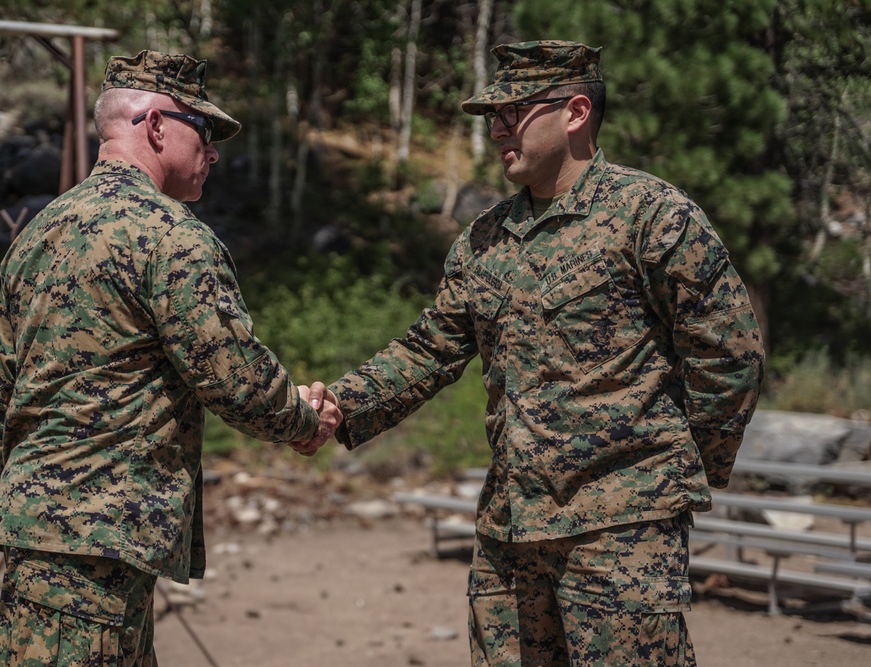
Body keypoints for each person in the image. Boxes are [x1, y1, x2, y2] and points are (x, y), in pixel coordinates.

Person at [312, 40, 765, 666]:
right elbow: (430, 348)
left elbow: (729, 355)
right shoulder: (484, 237)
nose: (497, 127)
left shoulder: (651, 217)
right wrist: (339, 405)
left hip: (619, 532)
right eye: (492, 115)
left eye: (513, 111)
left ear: (575, 113)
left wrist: (673, 474)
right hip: (511, 528)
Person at [0, 49, 341, 666]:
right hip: (100, 547)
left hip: (58, 539)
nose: (214, 150)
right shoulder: (170, 236)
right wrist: (304, 420)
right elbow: (236, 379)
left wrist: (35, 499)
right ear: (157, 125)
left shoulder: (39, 231)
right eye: (206, 129)